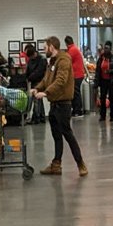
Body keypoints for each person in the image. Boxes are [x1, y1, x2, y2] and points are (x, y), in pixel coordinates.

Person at [32, 36, 88, 177]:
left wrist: (46, 93)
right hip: (54, 104)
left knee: (68, 134)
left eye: (45, 48)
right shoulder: (52, 62)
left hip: (63, 104)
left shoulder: (64, 61)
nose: (44, 51)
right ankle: (56, 165)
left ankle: (81, 164)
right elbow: (46, 80)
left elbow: (61, 81)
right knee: (56, 135)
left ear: (52, 47)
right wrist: (37, 89)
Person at [95, 41, 113, 122]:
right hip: (103, 81)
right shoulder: (101, 58)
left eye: (107, 48)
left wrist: (110, 71)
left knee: (112, 98)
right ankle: (102, 115)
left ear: (110, 49)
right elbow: (97, 70)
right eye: (105, 48)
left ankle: (112, 115)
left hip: (112, 81)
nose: (106, 50)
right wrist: (96, 81)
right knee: (102, 98)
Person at [25, 46, 47, 124]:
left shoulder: (42, 60)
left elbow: (39, 72)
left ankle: (36, 118)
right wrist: (26, 77)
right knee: (39, 100)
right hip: (33, 81)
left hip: (40, 82)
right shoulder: (31, 59)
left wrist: (29, 77)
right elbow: (28, 70)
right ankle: (42, 117)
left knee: (36, 100)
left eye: (31, 56)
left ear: (35, 53)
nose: (31, 58)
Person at [65, 36, 85, 118]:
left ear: (66, 43)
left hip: (76, 75)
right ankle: (77, 110)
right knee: (76, 92)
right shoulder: (74, 48)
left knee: (76, 93)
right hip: (79, 74)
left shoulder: (72, 50)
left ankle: (78, 110)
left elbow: (67, 61)